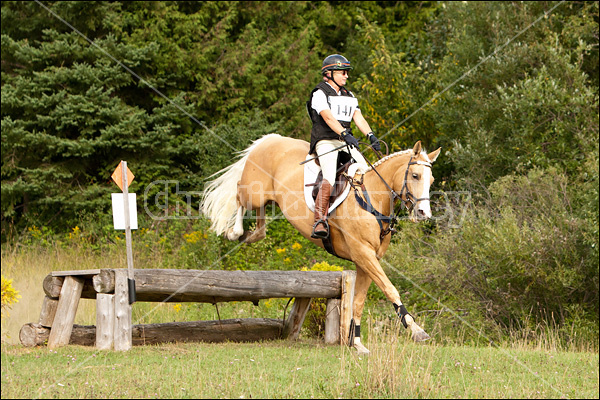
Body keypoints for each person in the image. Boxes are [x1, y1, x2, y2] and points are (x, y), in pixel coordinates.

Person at [307, 54, 381, 239]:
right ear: (329, 73)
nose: (346, 76)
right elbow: (328, 117)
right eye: (342, 72)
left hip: (344, 141)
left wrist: (370, 135)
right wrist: (345, 133)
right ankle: (319, 221)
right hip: (326, 141)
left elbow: (358, 117)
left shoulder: (349, 95)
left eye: (346, 72)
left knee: (367, 171)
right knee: (330, 176)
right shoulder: (319, 93)